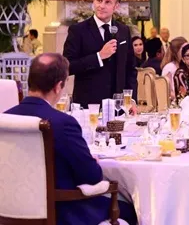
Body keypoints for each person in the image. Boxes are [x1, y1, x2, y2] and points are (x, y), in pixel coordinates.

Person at [4, 53, 137, 224]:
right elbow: (92, 177)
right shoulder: (63, 123)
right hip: (63, 213)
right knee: (132, 211)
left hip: (10, 212)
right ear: (58, 86)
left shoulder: (5, 119)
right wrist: (92, 162)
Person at [62, 0, 137, 107]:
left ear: (116, 6)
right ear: (94, 1)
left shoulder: (123, 30)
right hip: (88, 105)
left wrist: (132, 100)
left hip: (118, 106)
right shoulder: (78, 30)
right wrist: (99, 57)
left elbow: (130, 69)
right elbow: (67, 66)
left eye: (107, 2)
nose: (101, 6)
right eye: (99, 0)